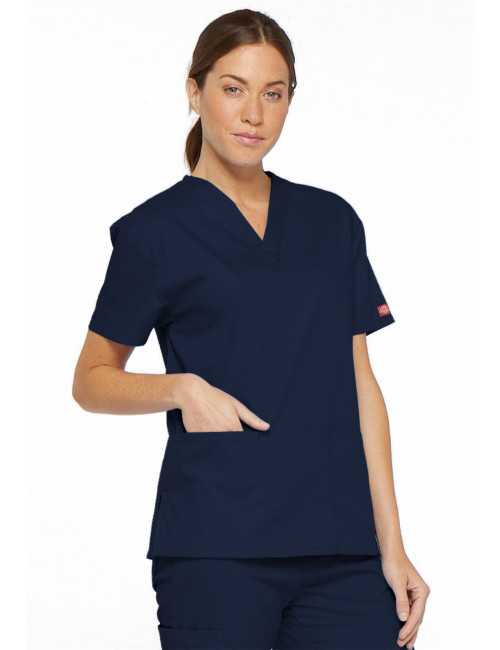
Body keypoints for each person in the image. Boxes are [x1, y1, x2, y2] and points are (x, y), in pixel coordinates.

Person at [72, 8, 430, 650]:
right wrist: (179, 388)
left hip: (344, 555)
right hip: (216, 553)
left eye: (273, 93)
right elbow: (91, 381)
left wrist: (393, 546)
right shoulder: (153, 233)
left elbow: (362, 386)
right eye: (233, 89)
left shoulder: (331, 222)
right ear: (195, 91)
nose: (253, 114)